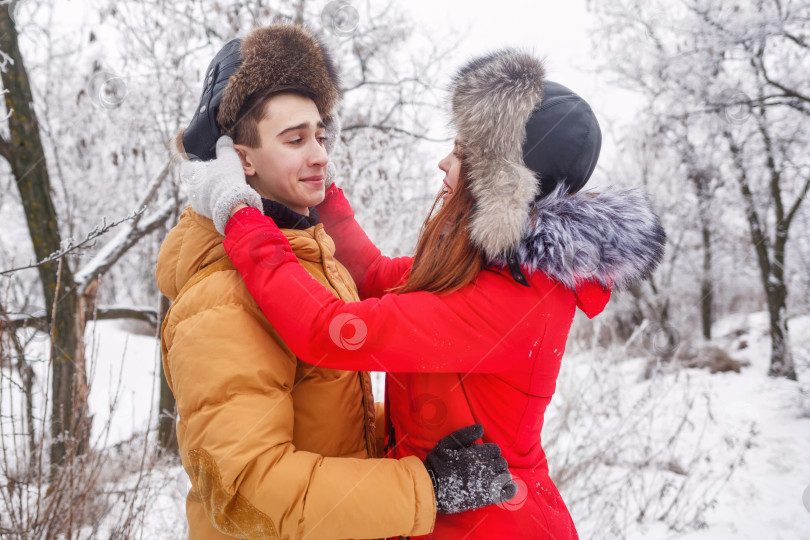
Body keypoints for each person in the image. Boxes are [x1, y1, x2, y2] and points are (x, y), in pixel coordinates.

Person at [187, 49, 666, 538]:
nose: (444, 162)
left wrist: (241, 216)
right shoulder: (486, 269)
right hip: (449, 516)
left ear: (499, 182)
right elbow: (373, 273)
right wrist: (315, 182)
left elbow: (329, 330)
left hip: (494, 524)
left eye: (460, 153)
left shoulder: (511, 301)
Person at [158, 25, 515, 540]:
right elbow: (246, 490)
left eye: (321, 136)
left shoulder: (304, 266)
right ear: (241, 161)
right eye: (295, 139)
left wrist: (409, 425)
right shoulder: (222, 297)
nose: (320, 154)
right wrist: (426, 488)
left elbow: (317, 411)